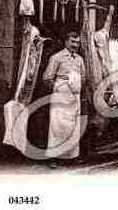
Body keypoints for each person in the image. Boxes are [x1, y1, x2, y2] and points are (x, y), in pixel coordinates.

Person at [43, 31, 86, 167]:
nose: (75, 45)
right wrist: (59, 89)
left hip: (75, 95)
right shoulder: (57, 57)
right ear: (66, 42)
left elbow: (84, 77)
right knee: (57, 126)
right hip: (61, 94)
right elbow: (47, 78)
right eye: (72, 42)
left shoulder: (79, 59)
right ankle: (53, 157)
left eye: (77, 42)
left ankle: (71, 156)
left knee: (73, 125)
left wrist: (76, 85)